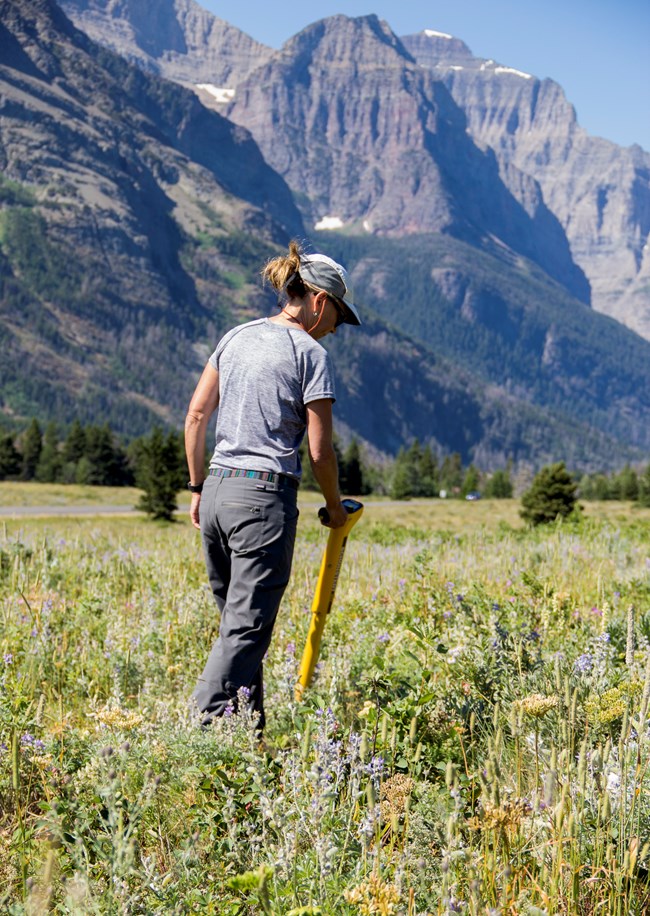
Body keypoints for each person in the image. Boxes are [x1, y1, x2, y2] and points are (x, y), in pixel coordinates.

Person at [184, 240, 362, 732]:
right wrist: (335, 508)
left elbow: (197, 415)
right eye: (338, 318)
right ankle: (198, 734)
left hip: (218, 490)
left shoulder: (236, 337)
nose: (335, 330)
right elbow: (320, 452)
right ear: (320, 301)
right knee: (246, 628)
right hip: (263, 500)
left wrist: (197, 488)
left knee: (238, 628)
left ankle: (248, 735)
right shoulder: (310, 354)